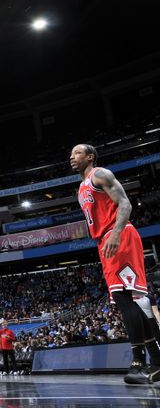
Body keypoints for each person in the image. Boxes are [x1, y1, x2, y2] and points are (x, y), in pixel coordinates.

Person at [70, 144, 160, 384]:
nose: (72, 157)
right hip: (105, 241)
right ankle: (157, 361)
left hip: (118, 236)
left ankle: (138, 363)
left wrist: (117, 233)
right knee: (131, 301)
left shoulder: (100, 174)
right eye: (71, 154)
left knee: (126, 298)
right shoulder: (80, 188)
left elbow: (126, 204)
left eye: (77, 153)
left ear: (90, 157)